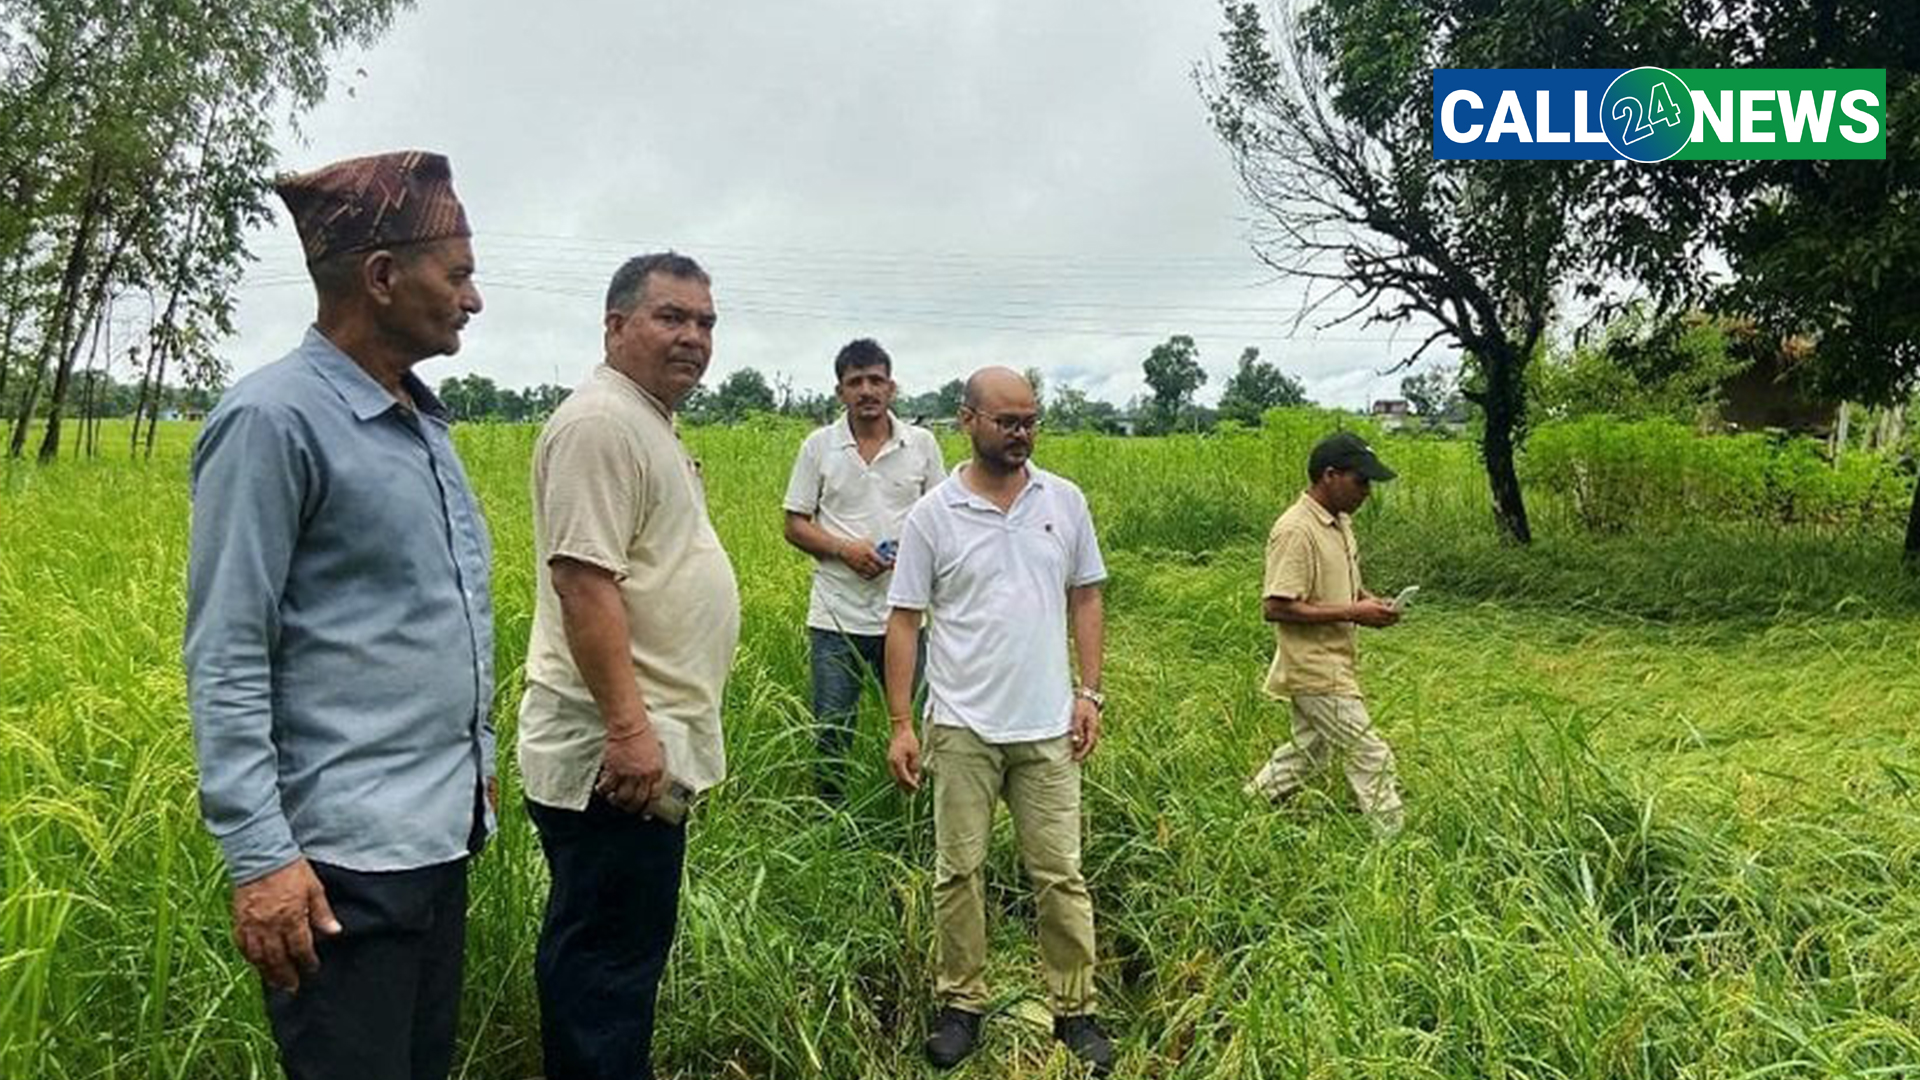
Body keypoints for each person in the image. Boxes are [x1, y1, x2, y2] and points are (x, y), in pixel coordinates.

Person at [183, 150, 494, 1080]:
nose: (473, 299)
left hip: (433, 844)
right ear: (384, 276)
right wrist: (260, 859)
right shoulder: (272, 422)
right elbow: (228, 652)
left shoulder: (421, 425)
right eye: (460, 273)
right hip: (334, 873)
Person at [517, 251, 741, 1080]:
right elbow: (584, 583)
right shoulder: (601, 424)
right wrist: (630, 730)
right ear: (615, 325)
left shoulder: (643, 419)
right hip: (614, 763)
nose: (693, 337)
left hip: (641, 752)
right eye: (671, 317)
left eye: (706, 322)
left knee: (618, 955)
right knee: (605, 967)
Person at [882, 367, 1116, 1076]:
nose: (1021, 434)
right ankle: (962, 1005)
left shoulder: (1063, 501)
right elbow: (904, 620)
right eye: (1007, 421)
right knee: (960, 872)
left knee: (1060, 874)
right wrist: (901, 722)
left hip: (1047, 725)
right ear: (968, 421)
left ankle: (1075, 1009)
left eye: (1030, 421)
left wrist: (1091, 692)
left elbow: (1086, 596)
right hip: (961, 725)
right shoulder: (933, 516)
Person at [781, 338, 945, 801]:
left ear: (892, 387)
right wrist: (844, 550)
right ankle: (829, 819)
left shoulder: (922, 445)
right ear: (840, 392)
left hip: (907, 615)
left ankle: (918, 817)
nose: (867, 390)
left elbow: (943, 518)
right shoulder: (819, 446)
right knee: (833, 729)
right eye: (856, 382)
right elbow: (794, 524)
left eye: (876, 380)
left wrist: (909, 555)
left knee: (924, 721)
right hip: (837, 615)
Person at [1247, 430, 1406, 834]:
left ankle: (1247, 808)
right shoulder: (1296, 530)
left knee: (1309, 754)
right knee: (1373, 755)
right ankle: (1396, 850)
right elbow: (1276, 606)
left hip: (1336, 660)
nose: (1368, 491)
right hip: (1315, 669)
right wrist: (1356, 612)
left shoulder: (1340, 522)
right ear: (1330, 475)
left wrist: (1371, 601)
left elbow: (1345, 586)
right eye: (1361, 480)